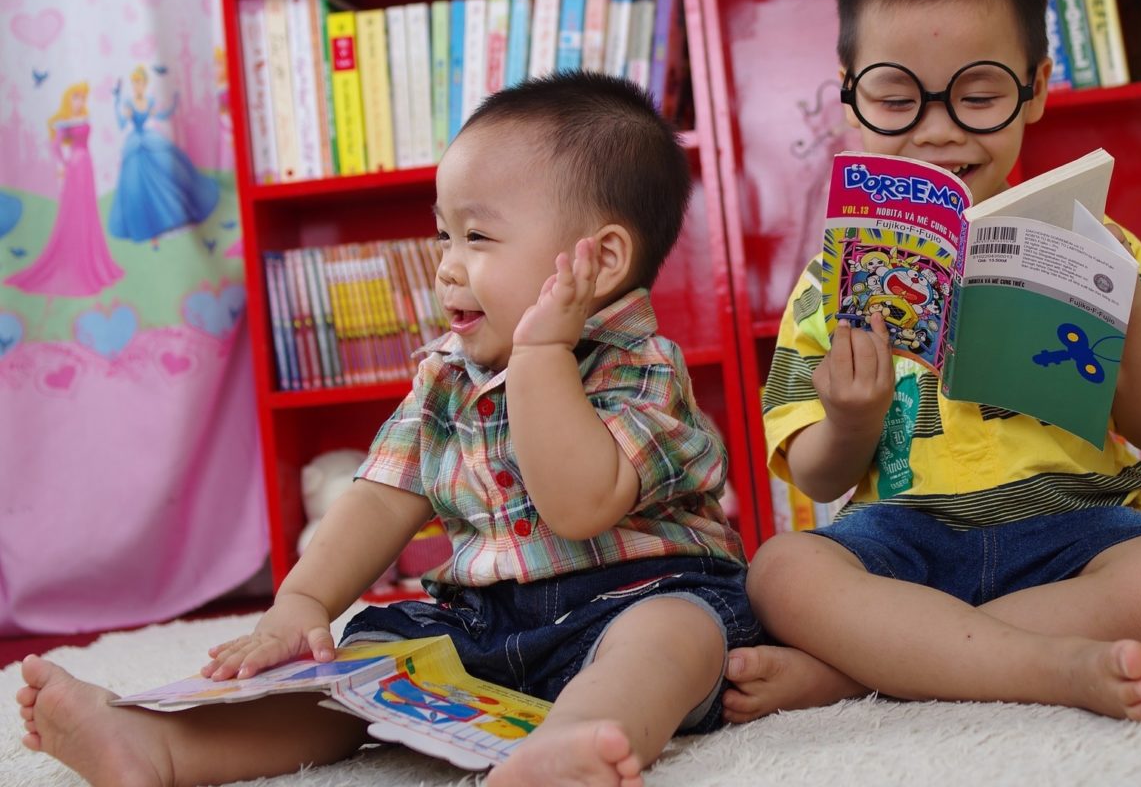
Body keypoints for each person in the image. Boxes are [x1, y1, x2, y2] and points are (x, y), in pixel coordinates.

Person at [18, 72, 759, 787]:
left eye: (477, 237)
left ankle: (576, 744)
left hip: (635, 596)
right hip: (481, 622)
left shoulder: (643, 369)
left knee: (676, 637)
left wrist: (541, 355)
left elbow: (577, 505)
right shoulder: (446, 378)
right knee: (360, 664)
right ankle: (162, 748)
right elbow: (380, 499)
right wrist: (300, 606)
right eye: (443, 235)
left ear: (599, 262)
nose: (445, 266)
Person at [721, 0, 1141, 728]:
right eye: (896, 98)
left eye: (979, 95)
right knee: (780, 571)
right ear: (850, 97)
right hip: (904, 539)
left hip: (1073, 526)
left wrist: (1116, 288)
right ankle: (1017, 659)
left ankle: (869, 671)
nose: (937, 130)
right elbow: (817, 476)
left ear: (1036, 90)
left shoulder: (1108, 243)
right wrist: (852, 415)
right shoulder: (831, 281)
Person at [5, 81, 124, 297]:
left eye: (82, 97)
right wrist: (66, 162)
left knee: (88, 210)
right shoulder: (65, 121)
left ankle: (90, 255)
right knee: (75, 210)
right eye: (76, 97)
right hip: (76, 165)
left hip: (86, 165)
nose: (80, 101)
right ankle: (75, 256)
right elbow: (55, 145)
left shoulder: (83, 117)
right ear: (69, 99)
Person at [108, 65, 219, 247]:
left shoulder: (149, 100)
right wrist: (116, 100)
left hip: (151, 140)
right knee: (136, 182)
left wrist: (174, 104)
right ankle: (149, 225)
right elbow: (121, 123)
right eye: (134, 83)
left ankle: (174, 213)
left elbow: (160, 115)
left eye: (139, 82)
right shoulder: (129, 104)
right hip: (136, 143)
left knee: (170, 169)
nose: (137, 86)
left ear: (145, 83)